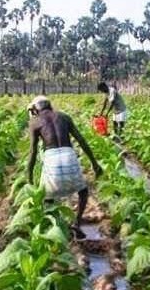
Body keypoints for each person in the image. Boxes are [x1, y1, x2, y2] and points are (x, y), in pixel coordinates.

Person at [27, 95, 103, 239]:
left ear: (36, 110)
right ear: (50, 105)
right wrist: (94, 163)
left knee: (47, 197)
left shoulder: (34, 122)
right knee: (83, 192)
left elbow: (33, 152)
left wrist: (29, 178)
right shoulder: (64, 117)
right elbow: (81, 140)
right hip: (69, 155)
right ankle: (77, 223)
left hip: (51, 159)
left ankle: (56, 228)